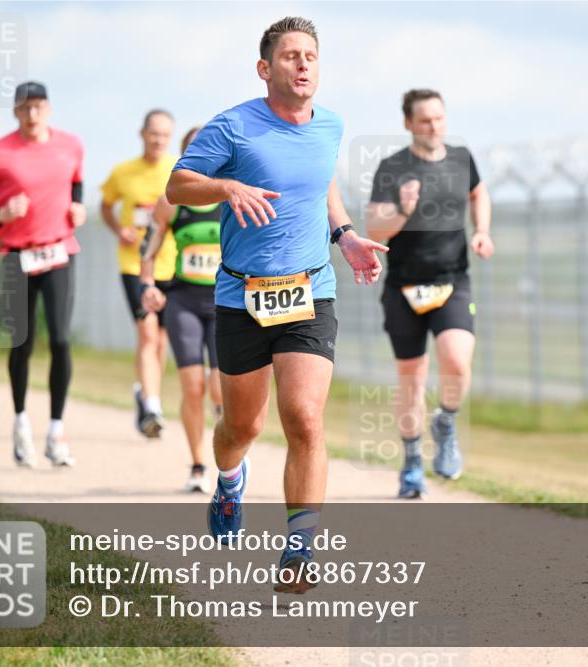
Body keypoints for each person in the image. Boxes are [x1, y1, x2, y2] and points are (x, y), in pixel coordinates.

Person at [166, 16, 386, 591]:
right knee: (242, 425)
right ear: (266, 69)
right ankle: (230, 479)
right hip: (242, 295)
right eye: (290, 56)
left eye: (310, 55)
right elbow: (178, 184)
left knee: (305, 419)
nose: (303, 64)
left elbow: (322, 187)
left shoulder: (330, 125)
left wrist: (346, 236)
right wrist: (226, 187)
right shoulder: (233, 126)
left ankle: (299, 550)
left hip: (311, 289)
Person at [366, 89, 493, 498]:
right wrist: (402, 210)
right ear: (408, 124)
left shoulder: (461, 158)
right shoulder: (393, 167)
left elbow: (479, 193)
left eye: (439, 118)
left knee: (456, 361)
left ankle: (447, 421)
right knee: (412, 380)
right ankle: (412, 463)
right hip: (404, 287)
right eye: (425, 121)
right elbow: (374, 229)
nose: (434, 127)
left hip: (453, 280)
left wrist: (482, 231)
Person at [0, 81, 86, 468]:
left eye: (38, 106)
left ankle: (56, 431)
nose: (32, 114)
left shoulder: (71, 145)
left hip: (59, 251)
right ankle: (20, 424)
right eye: (24, 108)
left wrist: (78, 209)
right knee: (23, 343)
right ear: (15, 112)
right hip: (16, 257)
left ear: (48, 108)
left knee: (62, 340)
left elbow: (76, 183)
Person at [141, 127, 225, 493]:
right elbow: (150, 247)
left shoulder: (231, 196)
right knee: (193, 387)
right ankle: (197, 464)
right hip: (184, 302)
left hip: (227, 304)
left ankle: (230, 449)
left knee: (221, 389)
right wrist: (147, 284)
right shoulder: (171, 202)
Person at [100, 110, 178, 438]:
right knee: (147, 335)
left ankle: (144, 394)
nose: (158, 140)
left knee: (160, 341)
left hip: (171, 264)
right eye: (153, 133)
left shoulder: (177, 169)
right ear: (142, 133)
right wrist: (120, 229)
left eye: (164, 135)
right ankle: (153, 407)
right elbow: (106, 205)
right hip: (135, 265)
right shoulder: (123, 172)